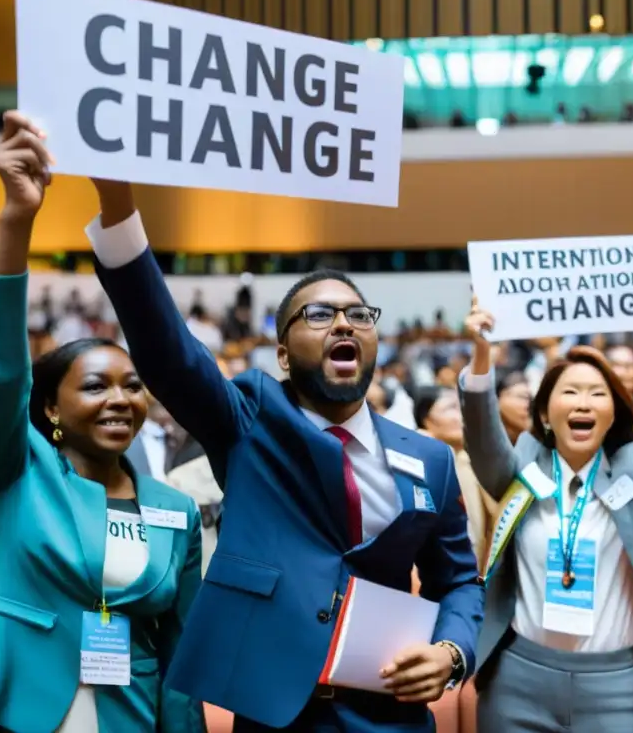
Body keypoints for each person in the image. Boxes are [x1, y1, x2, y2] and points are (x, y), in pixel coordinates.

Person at [76, 167, 483, 730]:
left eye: (358, 315)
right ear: (284, 355)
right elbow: (169, 353)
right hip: (277, 718)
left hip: (391, 717)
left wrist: (451, 652)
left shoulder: (430, 460)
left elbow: (459, 579)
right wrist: (118, 205)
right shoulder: (249, 419)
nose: (343, 321)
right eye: (318, 314)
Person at [0, 112, 205, 732]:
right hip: (4, 709)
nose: (121, 398)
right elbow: (2, 373)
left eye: (133, 386)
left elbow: (181, 654)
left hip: (130, 717)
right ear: (52, 409)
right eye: (95, 386)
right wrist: (17, 218)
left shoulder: (175, 509)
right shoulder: (13, 471)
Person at [459, 288, 633, 732]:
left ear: (613, 413)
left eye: (597, 394)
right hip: (517, 682)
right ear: (544, 414)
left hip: (617, 686)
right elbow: (482, 440)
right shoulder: (520, 469)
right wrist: (482, 353)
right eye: (570, 392)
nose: (583, 402)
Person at [413, 386, 496, 571]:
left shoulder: (467, 460)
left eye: (462, 409)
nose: (462, 416)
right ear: (426, 419)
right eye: (451, 408)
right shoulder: (416, 461)